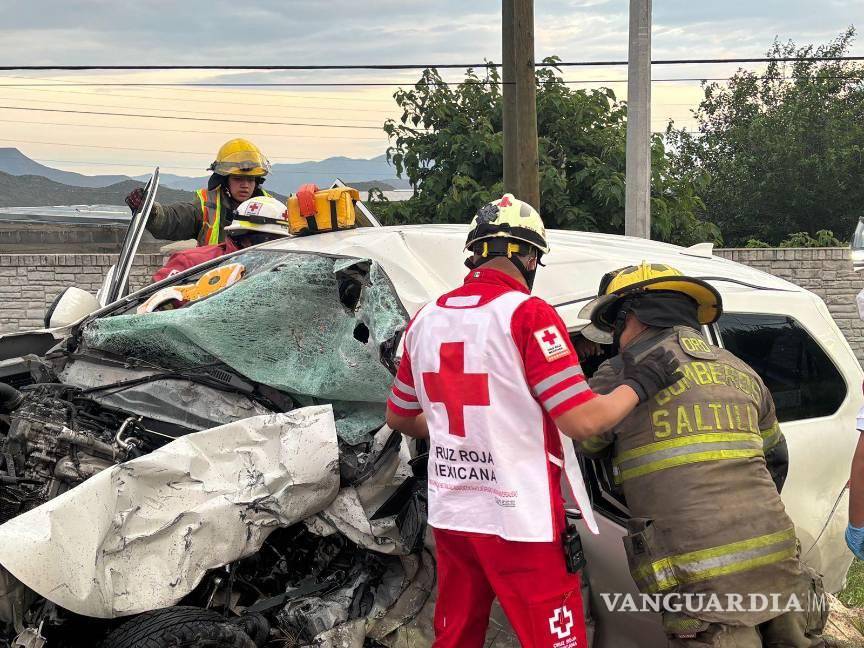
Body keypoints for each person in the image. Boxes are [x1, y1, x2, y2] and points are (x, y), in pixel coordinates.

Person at [384, 195, 681, 648]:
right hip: (519, 519)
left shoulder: (426, 319)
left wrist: (459, 428)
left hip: (454, 512)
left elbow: (401, 415)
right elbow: (584, 422)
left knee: (456, 634)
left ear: (476, 252)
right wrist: (641, 382)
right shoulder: (528, 314)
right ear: (528, 257)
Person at [577, 262, 826, 647]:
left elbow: (586, 444)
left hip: (700, 581)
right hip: (778, 562)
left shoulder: (619, 375)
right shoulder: (741, 369)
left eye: (615, 326)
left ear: (634, 317)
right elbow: (776, 458)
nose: (615, 338)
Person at [126, 138, 272, 245]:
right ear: (224, 179)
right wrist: (151, 211)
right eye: (238, 179)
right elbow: (176, 219)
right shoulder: (207, 205)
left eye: (251, 179)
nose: (245, 185)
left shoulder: (271, 208)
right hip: (216, 282)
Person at [152, 195, 289, 283]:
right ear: (241, 235)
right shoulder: (192, 264)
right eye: (266, 239)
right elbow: (150, 306)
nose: (273, 247)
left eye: (281, 242)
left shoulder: (284, 271)